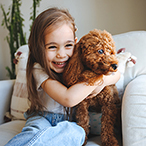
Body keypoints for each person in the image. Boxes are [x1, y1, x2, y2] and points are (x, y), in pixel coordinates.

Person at [5, 7, 120, 146]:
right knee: (33, 133)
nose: (61, 54)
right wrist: (97, 80)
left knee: (76, 133)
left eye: (68, 45)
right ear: (38, 47)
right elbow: (68, 98)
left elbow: (117, 73)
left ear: (76, 44)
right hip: (42, 118)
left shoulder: (77, 61)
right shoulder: (38, 69)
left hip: (69, 122)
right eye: (52, 47)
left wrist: (104, 80)